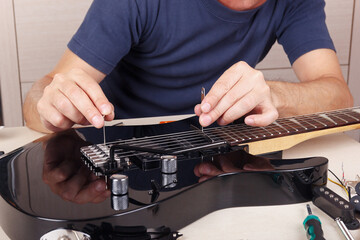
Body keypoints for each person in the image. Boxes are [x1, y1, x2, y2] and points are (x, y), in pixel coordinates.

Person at [23, 0, 353, 133]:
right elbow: (42, 94)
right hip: (122, 149)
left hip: (216, 153)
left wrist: (275, 96)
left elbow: (339, 95)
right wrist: (51, 104)